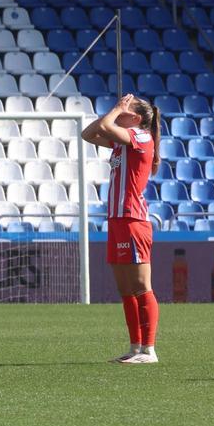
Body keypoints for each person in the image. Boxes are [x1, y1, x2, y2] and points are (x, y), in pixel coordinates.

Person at [81, 93, 162, 364]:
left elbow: (104, 126)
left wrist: (116, 110)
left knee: (141, 286)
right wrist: (116, 111)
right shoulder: (121, 144)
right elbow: (88, 133)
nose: (119, 112)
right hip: (116, 220)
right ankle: (135, 346)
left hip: (133, 219)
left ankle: (149, 350)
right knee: (125, 289)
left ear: (136, 118)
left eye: (126, 109)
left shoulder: (140, 136)